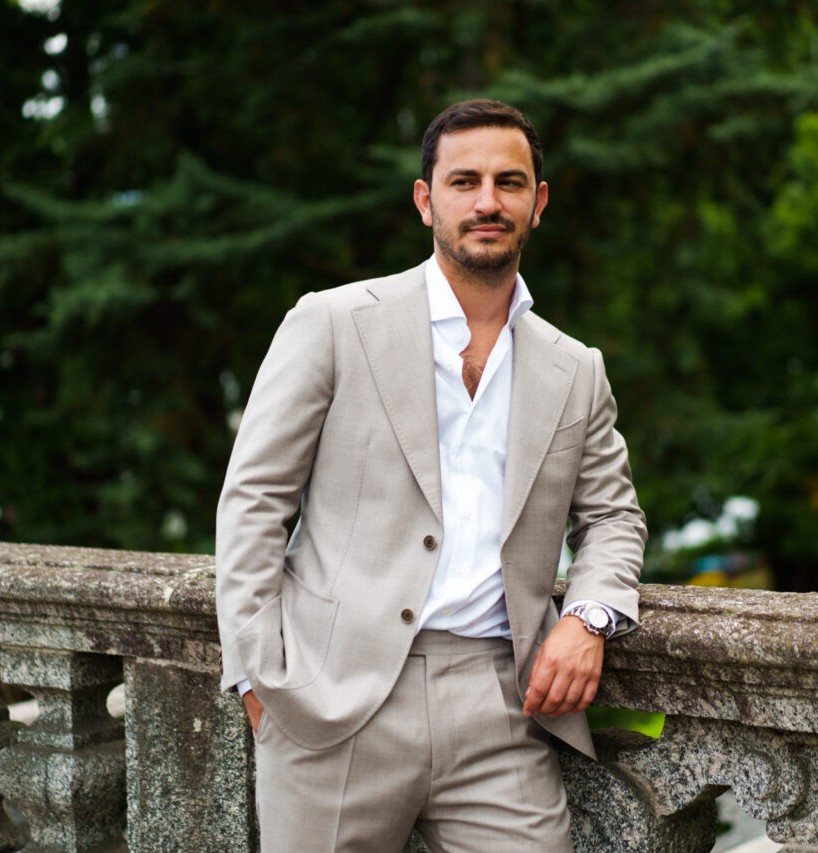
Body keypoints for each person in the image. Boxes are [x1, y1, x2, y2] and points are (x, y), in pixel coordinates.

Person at [215, 99, 646, 852]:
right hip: (332, 699)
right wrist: (259, 679)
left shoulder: (576, 369)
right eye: (464, 181)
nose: (487, 201)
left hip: (501, 706)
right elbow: (253, 502)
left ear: (538, 204)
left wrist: (588, 617)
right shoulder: (332, 322)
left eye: (510, 183)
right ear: (426, 200)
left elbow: (611, 516)